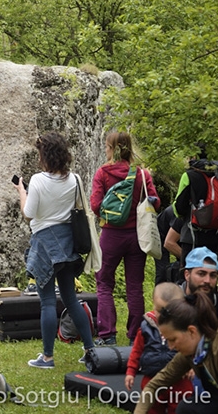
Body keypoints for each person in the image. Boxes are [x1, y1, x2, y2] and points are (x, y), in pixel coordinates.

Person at [17, 131, 95, 368]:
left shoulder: (39, 180)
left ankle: (48, 357)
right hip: (67, 241)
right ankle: (90, 350)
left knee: (48, 301)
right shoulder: (74, 179)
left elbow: (29, 214)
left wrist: (22, 192)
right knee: (72, 299)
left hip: (44, 242)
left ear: (45, 155)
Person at [90, 131, 160, 345]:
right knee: (135, 287)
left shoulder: (103, 173)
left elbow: (95, 205)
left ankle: (107, 335)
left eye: (106, 146)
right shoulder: (141, 174)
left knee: (104, 283)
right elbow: (155, 203)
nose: (105, 149)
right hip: (136, 237)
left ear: (112, 148)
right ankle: (135, 336)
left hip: (111, 235)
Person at [133, 292, 218, 414]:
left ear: (191, 331)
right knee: (187, 408)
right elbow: (153, 386)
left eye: (173, 340)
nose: (171, 347)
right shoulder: (190, 353)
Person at [124, 283, 193, 414]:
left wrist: (191, 367)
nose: (164, 317)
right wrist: (130, 371)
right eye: (161, 311)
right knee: (152, 408)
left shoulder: (186, 327)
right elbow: (137, 351)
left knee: (180, 408)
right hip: (152, 376)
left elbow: (192, 349)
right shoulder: (146, 327)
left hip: (179, 379)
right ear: (153, 304)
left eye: (170, 312)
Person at [172, 148, 218, 257]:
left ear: (194, 156)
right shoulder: (216, 175)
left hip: (191, 235)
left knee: (191, 270)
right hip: (214, 236)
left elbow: (179, 208)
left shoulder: (189, 175)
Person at [179, 247, 218, 313]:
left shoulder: (216, 303)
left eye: (213, 275)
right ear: (187, 275)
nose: (207, 280)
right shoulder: (171, 301)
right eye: (201, 274)